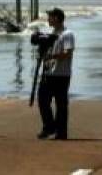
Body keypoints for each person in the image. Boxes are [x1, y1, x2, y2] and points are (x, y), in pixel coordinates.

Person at [37, 8, 75, 140]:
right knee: (42, 100)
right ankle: (49, 126)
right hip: (48, 73)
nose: (48, 19)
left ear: (57, 18)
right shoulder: (51, 33)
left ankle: (61, 132)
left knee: (61, 104)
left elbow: (67, 52)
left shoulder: (67, 34)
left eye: (50, 17)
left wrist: (52, 55)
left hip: (61, 74)